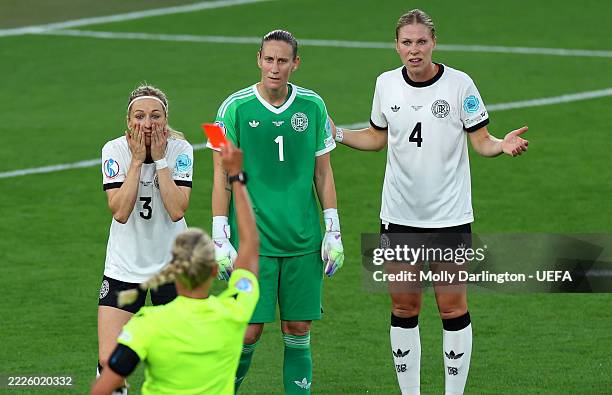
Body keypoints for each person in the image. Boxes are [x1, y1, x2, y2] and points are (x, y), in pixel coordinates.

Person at [332, 9, 529, 395]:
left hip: (450, 217)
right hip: (400, 216)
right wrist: (337, 133)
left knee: (452, 309)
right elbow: (377, 137)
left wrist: (500, 146)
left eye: (421, 42)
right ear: (396, 46)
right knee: (404, 309)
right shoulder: (385, 84)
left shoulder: (459, 85)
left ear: (434, 43)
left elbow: (481, 140)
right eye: (407, 42)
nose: (414, 50)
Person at [208, 29, 344, 394]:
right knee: (249, 330)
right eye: (269, 59)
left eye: (283, 60)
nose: (274, 67)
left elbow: (323, 172)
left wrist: (333, 230)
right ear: (258, 60)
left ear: (295, 64)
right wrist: (220, 236)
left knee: (298, 329)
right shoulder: (231, 108)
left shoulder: (313, 105)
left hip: (302, 240)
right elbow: (220, 174)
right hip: (253, 245)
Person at [92, 142, 259, 395]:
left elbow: (102, 388)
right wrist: (236, 177)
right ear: (214, 271)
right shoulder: (234, 310)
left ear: (173, 271)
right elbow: (250, 248)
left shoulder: (148, 325)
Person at [98, 84, 194, 394]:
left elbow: (178, 209)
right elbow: (120, 211)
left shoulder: (181, 151)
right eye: (139, 116)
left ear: (166, 120)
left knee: (177, 361)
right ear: (128, 121)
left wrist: (161, 160)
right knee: (109, 362)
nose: (147, 123)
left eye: (155, 116)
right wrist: (138, 162)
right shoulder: (114, 151)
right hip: (124, 269)